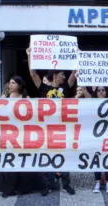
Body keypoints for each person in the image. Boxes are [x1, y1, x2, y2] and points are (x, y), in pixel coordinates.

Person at [26, 47, 76, 196]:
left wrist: (77, 55)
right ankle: (47, 184)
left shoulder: (66, 87)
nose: (64, 77)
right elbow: (32, 73)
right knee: (47, 154)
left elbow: (74, 73)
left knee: (64, 154)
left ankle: (66, 183)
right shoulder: (43, 88)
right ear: (55, 75)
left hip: (62, 127)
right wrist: (30, 56)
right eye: (62, 74)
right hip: (46, 128)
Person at [0, 76, 39, 198]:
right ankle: (7, 188)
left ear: (19, 85)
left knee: (21, 160)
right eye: (10, 83)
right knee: (8, 160)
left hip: (22, 134)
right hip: (8, 134)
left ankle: (22, 188)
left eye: (13, 83)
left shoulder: (26, 98)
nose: (11, 85)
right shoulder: (4, 98)